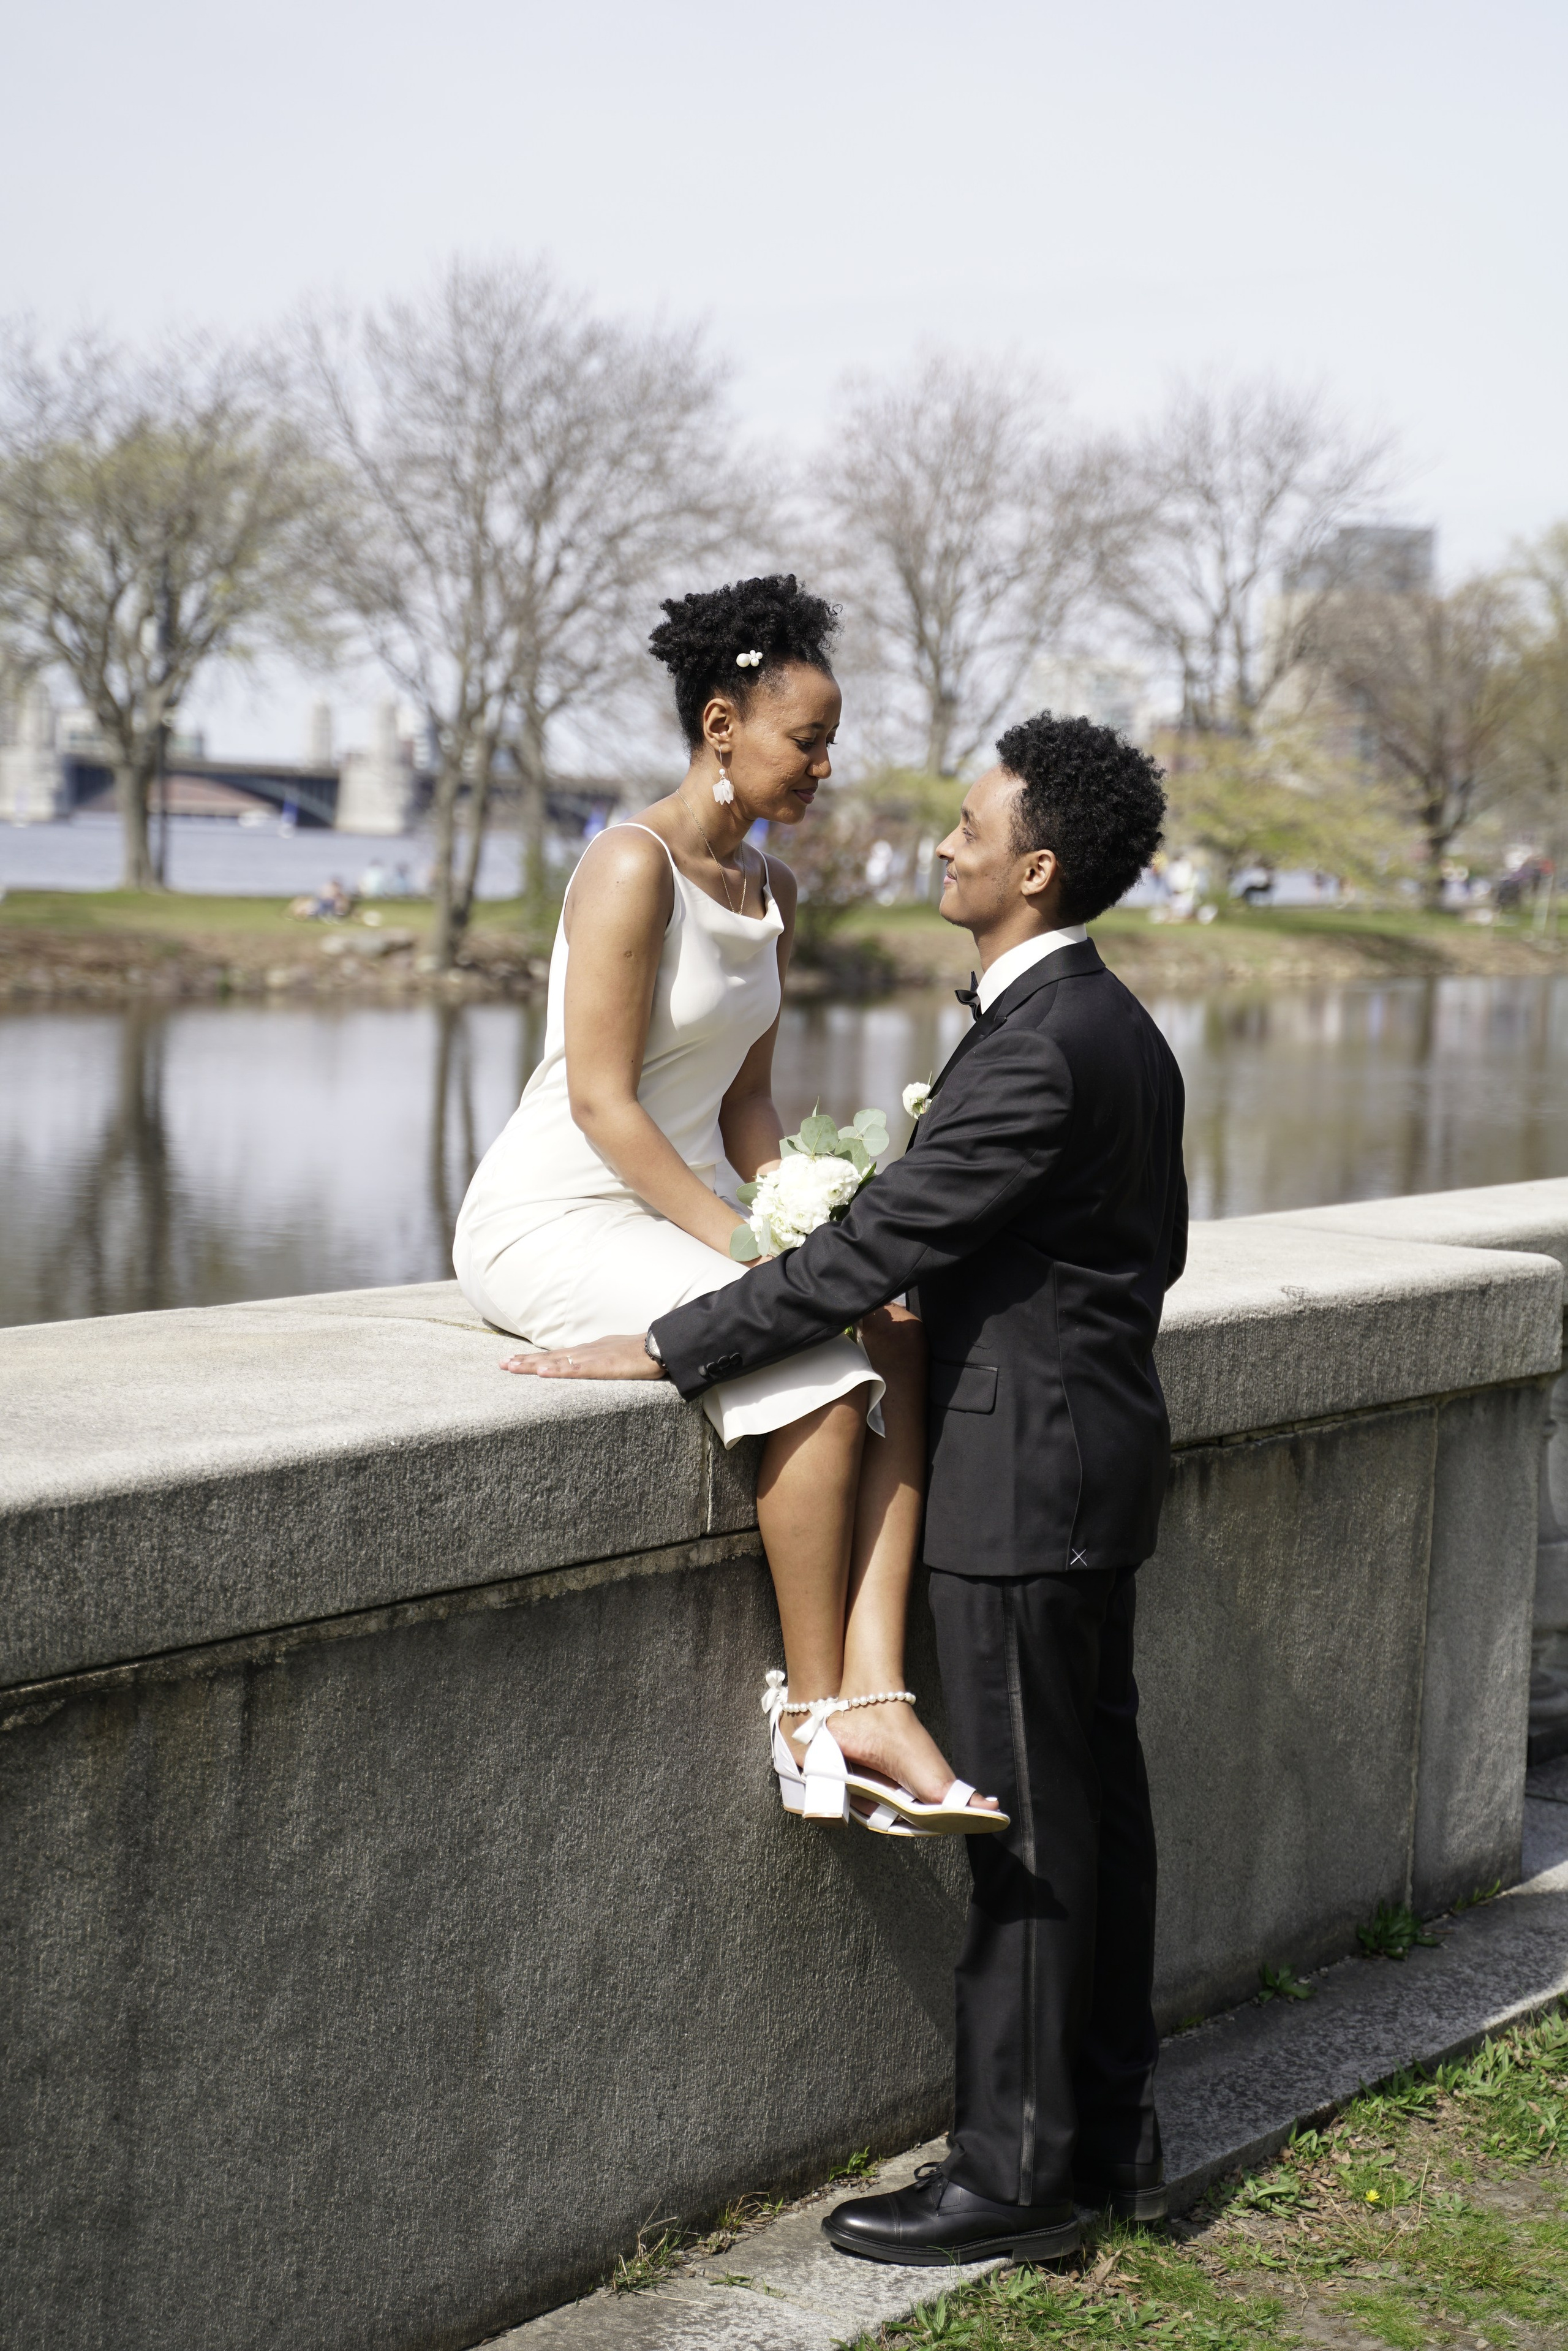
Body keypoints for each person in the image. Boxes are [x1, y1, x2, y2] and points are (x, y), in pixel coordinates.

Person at [518, 713, 1186, 2267]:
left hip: (1025, 1473)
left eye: (965, 826)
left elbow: (875, 1251)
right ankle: (1110, 2124)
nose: (940, 844)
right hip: (1085, 1454)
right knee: (1095, 1807)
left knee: (1025, 1818)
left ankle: (1012, 2173)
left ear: (1032, 868)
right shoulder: (1105, 1027)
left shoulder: (1046, 1045)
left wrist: (670, 1343)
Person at [456, 574, 1004, 1836]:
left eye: (827, 740)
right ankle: (808, 1710)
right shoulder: (626, 866)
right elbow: (602, 1104)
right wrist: (757, 1258)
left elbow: (747, 1106)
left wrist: (823, 1230)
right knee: (807, 1360)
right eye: (804, 740)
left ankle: (875, 1690)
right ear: (720, 726)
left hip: (684, 1205)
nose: (823, 764)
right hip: (554, 1210)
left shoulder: (773, 895)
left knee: (897, 1328)